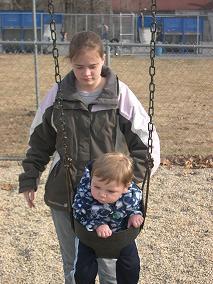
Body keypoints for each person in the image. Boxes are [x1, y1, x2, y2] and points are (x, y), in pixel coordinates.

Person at [19, 31, 160, 284]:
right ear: (70, 63)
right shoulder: (58, 96)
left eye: (93, 66)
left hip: (109, 197)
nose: (86, 73)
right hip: (66, 192)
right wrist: (30, 178)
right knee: (74, 263)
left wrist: (125, 183)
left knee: (109, 265)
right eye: (79, 67)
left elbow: (146, 144)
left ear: (104, 60)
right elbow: (39, 141)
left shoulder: (119, 94)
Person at [73, 152, 144, 284]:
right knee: (83, 272)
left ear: (125, 187)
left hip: (121, 236)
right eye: (97, 187)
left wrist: (135, 215)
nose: (102, 194)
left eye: (110, 191)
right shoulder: (85, 192)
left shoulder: (132, 194)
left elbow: (135, 207)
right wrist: (97, 225)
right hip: (90, 237)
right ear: (92, 179)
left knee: (131, 266)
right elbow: (79, 214)